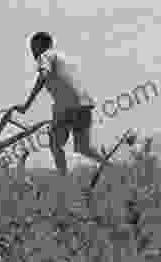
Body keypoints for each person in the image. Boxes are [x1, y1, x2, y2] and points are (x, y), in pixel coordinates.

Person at [16, 32, 108, 179]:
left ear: (41, 45)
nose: (32, 52)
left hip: (67, 106)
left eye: (33, 47)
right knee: (84, 148)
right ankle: (112, 168)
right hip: (84, 104)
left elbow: (43, 77)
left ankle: (63, 179)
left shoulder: (44, 56)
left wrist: (26, 105)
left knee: (55, 144)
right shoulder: (64, 58)